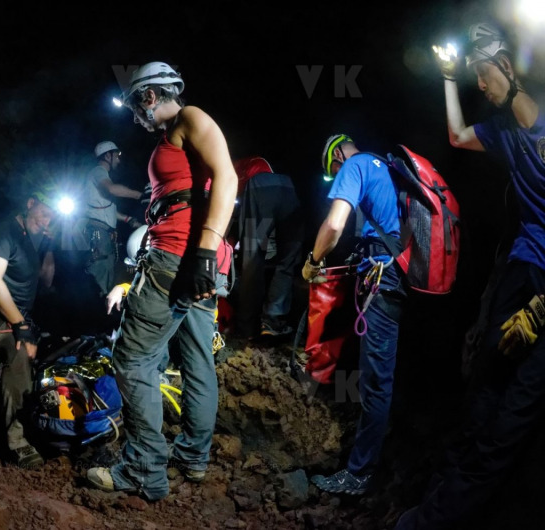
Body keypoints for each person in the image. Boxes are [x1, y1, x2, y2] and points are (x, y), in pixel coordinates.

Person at [396, 22, 545, 529]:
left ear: (506, 66)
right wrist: (446, 78)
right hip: (525, 265)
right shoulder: (502, 133)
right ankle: (442, 494)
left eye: (482, 75)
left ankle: (442, 519)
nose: (479, 86)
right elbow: (457, 136)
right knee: (485, 383)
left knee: (516, 410)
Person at [86, 61, 238, 500]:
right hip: (192, 264)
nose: (137, 118)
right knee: (196, 360)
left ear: (149, 96)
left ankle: (143, 471)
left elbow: (226, 176)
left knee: (132, 360)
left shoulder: (190, 118)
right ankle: (192, 458)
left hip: (177, 259)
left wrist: (205, 250)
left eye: (137, 107)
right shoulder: (177, 133)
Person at [302, 134, 407, 495]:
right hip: (402, 272)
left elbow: (334, 225)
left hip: (385, 276)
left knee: (376, 380)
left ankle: (360, 475)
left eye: (334, 168)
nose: (336, 173)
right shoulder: (388, 168)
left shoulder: (355, 164)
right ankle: (389, 454)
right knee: (383, 373)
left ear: (338, 155)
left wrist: (312, 262)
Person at [0, 189, 57, 468]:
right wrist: (20, 326)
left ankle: (25, 426)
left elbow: (47, 281)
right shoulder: (6, 230)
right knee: (19, 361)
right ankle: (17, 443)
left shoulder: (32, 238)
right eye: (44, 213)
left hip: (23, 316)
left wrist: (49, 247)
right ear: (30, 203)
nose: (47, 220)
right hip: (1, 316)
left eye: (53, 217)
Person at [231, 157, 302, 339]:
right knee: (288, 256)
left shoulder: (228, 167)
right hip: (288, 186)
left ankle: (246, 328)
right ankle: (272, 320)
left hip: (260, 187)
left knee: (253, 257)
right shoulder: (257, 162)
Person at [83, 141, 144, 297]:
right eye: (117, 155)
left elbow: (107, 208)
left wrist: (128, 219)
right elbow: (112, 189)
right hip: (99, 233)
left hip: (104, 233)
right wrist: (140, 195)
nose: (118, 159)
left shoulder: (100, 175)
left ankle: (102, 307)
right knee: (101, 274)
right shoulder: (98, 172)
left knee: (107, 272)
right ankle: (97, 311)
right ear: (107, 155)